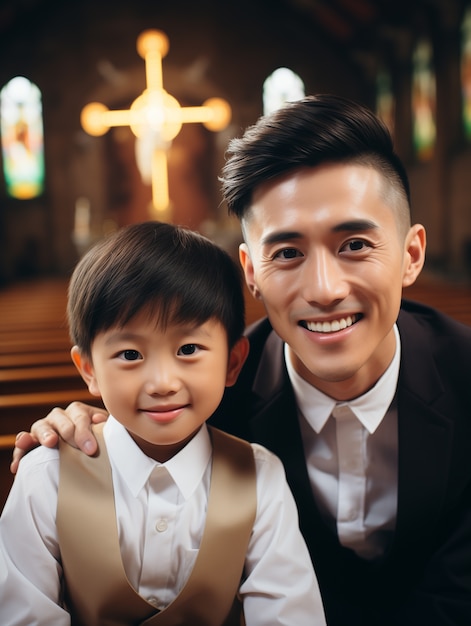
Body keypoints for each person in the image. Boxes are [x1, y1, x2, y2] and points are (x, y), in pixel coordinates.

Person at [11, 94, 471, 625]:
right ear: (250, 271)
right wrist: (80, 437)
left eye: (355, 245)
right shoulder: (206, 394)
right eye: (287, 253)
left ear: (411, 255)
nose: (324, 290)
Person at [1, 221, 325, 625]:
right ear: (89, 370)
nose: (162, 383)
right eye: (131, 355)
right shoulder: (45, 478)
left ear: (232, 362)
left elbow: (288, 615)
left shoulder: (260, 477)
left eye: (188, 348)